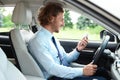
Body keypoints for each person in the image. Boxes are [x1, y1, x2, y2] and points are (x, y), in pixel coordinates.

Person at [28, 2, 106, 80]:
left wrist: (78, 49)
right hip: (55, 77)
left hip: (61, 75)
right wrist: (82, 71)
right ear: (51, 18)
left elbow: (65, 59)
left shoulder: (52, 38)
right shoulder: (37, 41)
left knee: (102, 72)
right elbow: (52, 68)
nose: (63, 24)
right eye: (61, 19)